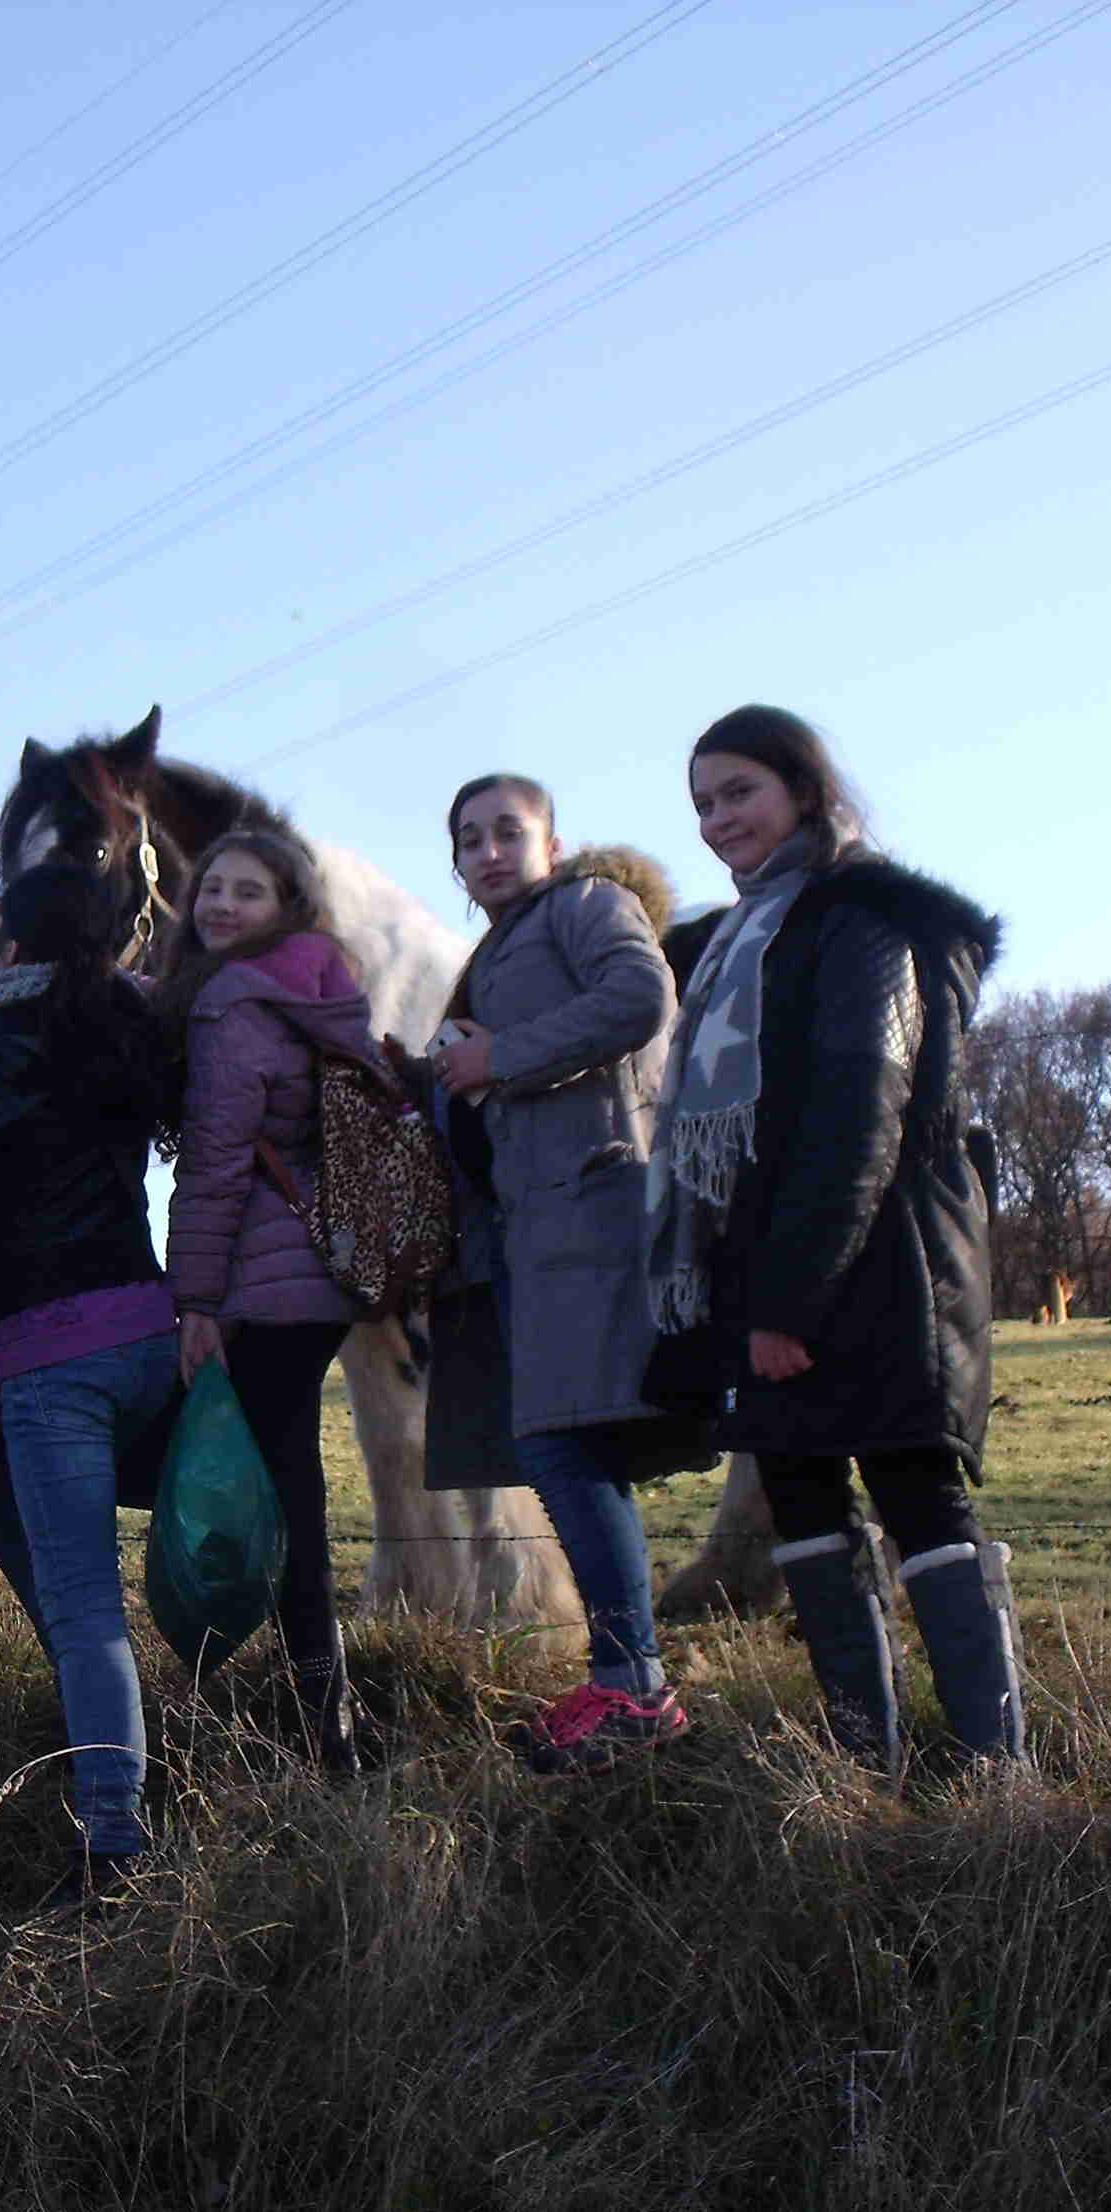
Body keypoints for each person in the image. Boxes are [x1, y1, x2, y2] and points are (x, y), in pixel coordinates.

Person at [648, 705, 1023, 1768]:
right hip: (779, 1266)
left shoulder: (860, 921)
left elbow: (863, 1109)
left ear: (804, 792)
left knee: (918, 1499)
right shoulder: (729, 946)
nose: (720, 821)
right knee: (805, 1500)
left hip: (881, 1267)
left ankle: (998, 1779)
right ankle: (870, 1768)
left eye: (740, 794)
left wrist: (786, 1303)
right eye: (704, 804)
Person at [416, 774, 708, 1772]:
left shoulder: (588, 905)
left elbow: (638, 997)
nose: (488, 851)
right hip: (535, 1232)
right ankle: (627, 1680)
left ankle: (634, 1687)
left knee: (558, 1445)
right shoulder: (495, 951)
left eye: (508, 831)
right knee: (568, 1445)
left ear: (553, 841)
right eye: (469, 840)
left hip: (595, 1211)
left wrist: (501, 1057)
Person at [0, 860, 174, 1908]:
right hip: (149, 1334)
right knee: (15, 1521)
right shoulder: (121, 1025)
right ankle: (124, 1734)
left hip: (53, 1355)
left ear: (13, 947)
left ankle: (115, 1843)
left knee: (83, 1610)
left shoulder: (7, 1042)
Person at [153, 829, 378, 1767]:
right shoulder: (319, 980)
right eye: (211, 887)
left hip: (261, 1271)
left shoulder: (233, 999)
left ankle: (310, 1708)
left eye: (247, 892)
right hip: (323, 1269)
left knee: (269, 1486)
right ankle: (322, 1702)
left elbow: (214, 1160)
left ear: (285, 904)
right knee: (293, 1480)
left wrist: (195, 1297)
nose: (220, 906)